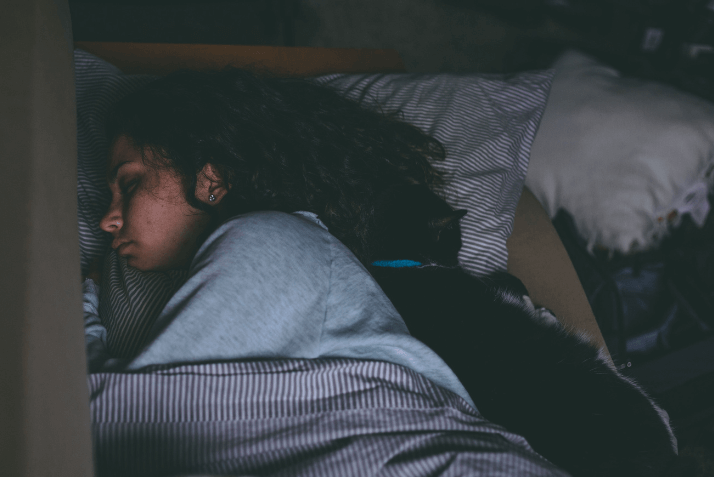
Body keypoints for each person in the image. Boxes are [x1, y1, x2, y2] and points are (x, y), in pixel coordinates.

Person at [83, 67, 477, 408]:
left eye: (130, 184)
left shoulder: (274, 239)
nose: (107, 221)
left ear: (209, 179)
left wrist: (83, 312)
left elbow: (126, 412)